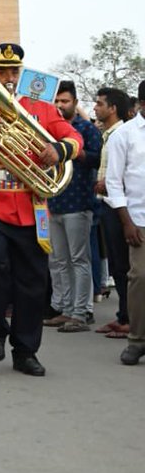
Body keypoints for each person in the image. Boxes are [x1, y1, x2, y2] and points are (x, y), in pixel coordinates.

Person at [0, 43, 83, 377]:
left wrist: (58, 149)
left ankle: (26, 351)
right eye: (3, 71)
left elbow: (73, 137)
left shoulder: (40, 106)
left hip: (30, 205)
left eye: (14, 71)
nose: (10, 78)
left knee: (32, 280)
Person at [43, 80, 102, 332]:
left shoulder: (86, 129)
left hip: (78, 202)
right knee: (58, 260)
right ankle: (65, 309)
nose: (60, 105)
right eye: (56, 101)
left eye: (65, 101)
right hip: (54, 202)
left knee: (79, 259)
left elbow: (96, 159)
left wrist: (71, 149)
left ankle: (82, 311)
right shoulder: (50, 129)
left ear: (75, 104)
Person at [105, 102, 145, 363]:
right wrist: (126, 221)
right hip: (139, 219)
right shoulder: (125, 134)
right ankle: (137, 341)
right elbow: (113, 181)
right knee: (140, 278)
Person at [93, 87, 130, 339]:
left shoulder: (124, 134)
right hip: (107, 203)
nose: (95, 107)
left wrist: (112, 182)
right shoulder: (108, 134)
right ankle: (123, 316)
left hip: (122, 207)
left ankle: (130, 319)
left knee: (126, 266)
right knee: (117, 265)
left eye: (100, 103)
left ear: (113, 108)